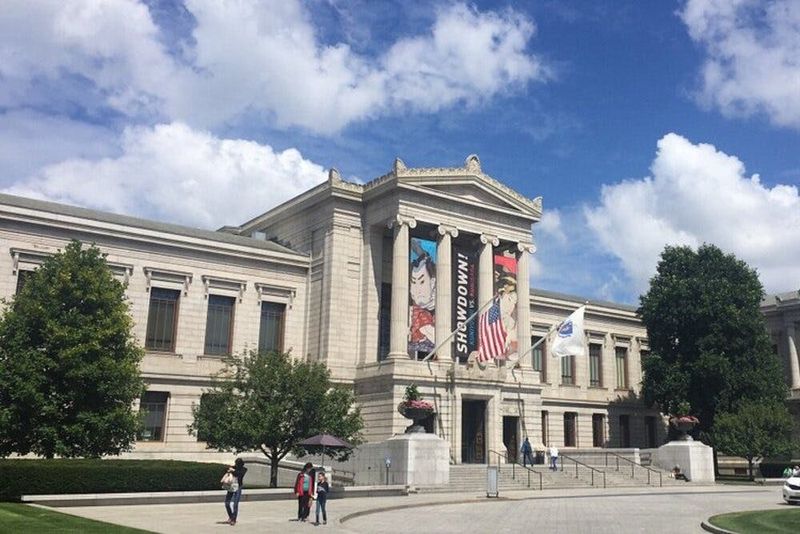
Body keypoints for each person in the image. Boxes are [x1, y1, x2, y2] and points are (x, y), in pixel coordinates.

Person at [223, 458, 247, 526]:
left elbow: (239, 474)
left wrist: (233, 470)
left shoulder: (244, 469)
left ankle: (234, 519)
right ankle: (231, 516)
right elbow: (225, 470)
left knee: (235, 504)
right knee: (227, 503)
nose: (237, 465)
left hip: (238, 487)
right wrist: (229, 469)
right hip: (231, 486)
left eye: (238, 463)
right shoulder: (233, 467)